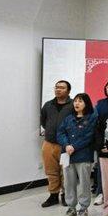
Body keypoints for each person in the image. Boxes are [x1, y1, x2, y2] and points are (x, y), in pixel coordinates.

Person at [56, 93, 97, 216]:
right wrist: (66, 145)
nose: (76, 103)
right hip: (68, 155)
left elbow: (89, 136)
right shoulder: (68, 118)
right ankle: (71, 208)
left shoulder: (92, 118)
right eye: (75, 101)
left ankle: (83, 209)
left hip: (83, 155)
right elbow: (61, 133)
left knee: (84, 183)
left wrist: (74, 146)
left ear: (86, 103)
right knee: (69, 183)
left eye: (80, 101)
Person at [40, 80, 73, 208]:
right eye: (57, 87)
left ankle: (65, 195)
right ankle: (53, 195)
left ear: (68, 91)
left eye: (62, 88)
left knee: (65, 172)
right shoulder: (48, 105)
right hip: (49, 142)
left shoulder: (73, 105)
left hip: (65, 144)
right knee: (51, 171)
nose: (58, 89)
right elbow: (43, 121)